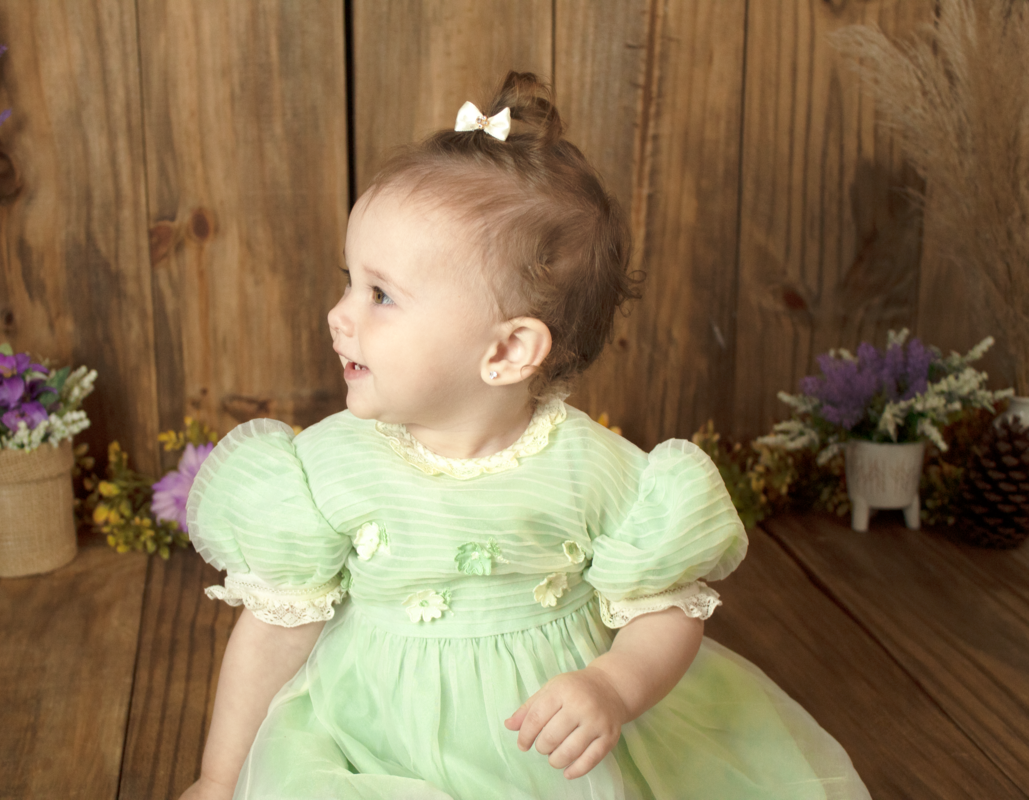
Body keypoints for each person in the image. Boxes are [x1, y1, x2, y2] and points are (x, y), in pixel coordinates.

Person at [179, 72, 870, 800]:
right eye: (349, 280)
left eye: (380, 295)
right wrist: (220, 779)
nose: (339, 314)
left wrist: (614, 686)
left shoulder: (591, 469)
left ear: (508, 350)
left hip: (539, 757)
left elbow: (665, 610)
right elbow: (273, 633)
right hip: (368, 744)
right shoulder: (325, 467)